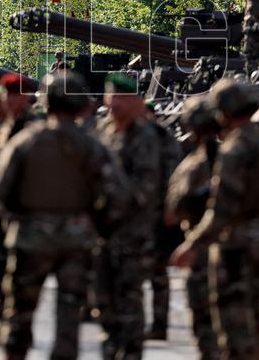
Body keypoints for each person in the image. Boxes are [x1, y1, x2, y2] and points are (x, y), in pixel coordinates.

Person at [0, 71, 126, 360]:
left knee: (19, 313)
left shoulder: (26, 142)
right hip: (77, 239)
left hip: (30, 235)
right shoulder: (92, 145)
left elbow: (1, 188)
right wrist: (95, 223)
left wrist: (19, 219)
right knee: (69, 314)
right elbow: (116, 193)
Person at [172, 80, 259, 359]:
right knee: (254, 318)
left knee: (233, 327)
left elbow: (223, 209)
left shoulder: (235, 150)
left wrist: (193, 244)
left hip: (236, 244)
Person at [96, 72, 163, 360]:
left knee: (129, 297)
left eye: (122, 99)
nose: (115, 105)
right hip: (103, 229)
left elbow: (145, 189)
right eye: (112, 98)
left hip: (132, 230)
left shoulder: (146, 137)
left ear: (137, 102)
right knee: (104, 297)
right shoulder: (104, 132)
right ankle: (111, 347)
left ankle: (131, 352)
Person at [0, 73, 38, 344]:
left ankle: (17, 327)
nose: (3, 100)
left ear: (23, 97)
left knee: (19, 273)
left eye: (9, 94)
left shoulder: (33, 128)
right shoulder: (2, 127)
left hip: (23, 210)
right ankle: (5, 320)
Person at [165, 95, 221, 359]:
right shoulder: (235, 155)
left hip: (201, 249)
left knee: (205, 322)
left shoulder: (191, 164)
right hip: (234, 249)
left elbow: (174, 209)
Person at [144, 99, 182, 341]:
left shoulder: (164, 140)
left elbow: (175, 177)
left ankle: (159, 323)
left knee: (158, 274)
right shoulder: (120, 134)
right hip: (128, 217)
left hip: (155, 215)